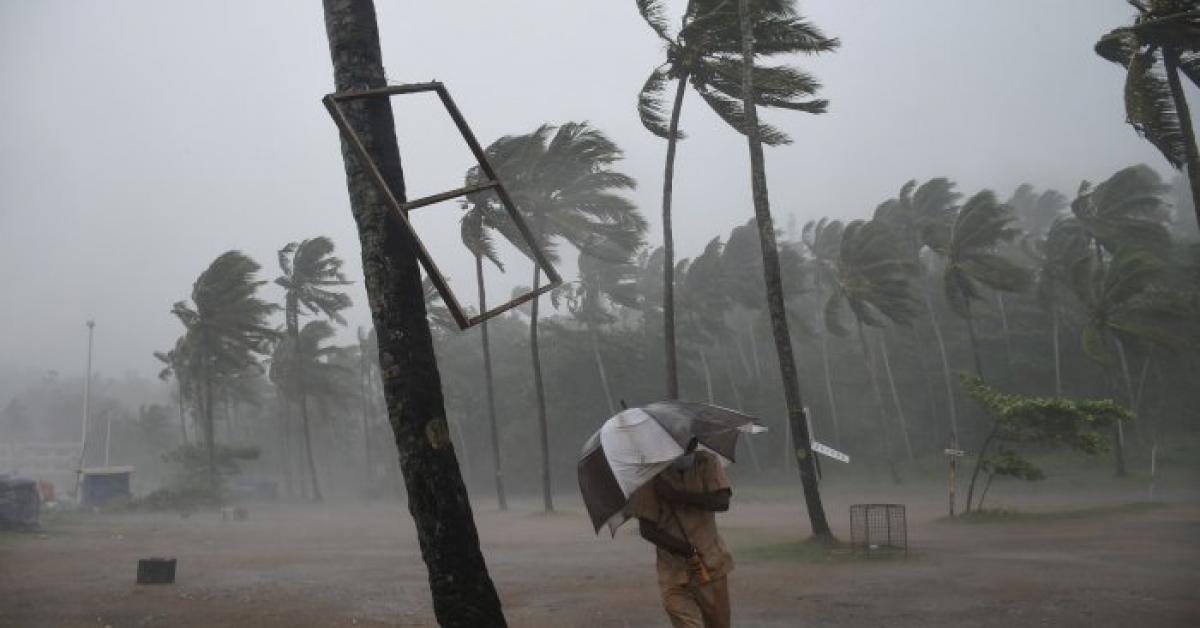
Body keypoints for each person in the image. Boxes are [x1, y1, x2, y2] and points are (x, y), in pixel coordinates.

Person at [630, 439, 734, 628]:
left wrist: (677, 496)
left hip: (711, 565)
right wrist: (683, 549)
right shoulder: (651, 475)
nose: (687, 448)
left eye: (691, 442)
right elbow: (647, 530)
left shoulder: (707, 462)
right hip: (673, 572)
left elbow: (722, 502)